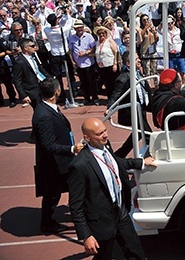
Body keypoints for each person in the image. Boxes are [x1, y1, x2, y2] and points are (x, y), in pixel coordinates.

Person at [68, 118, 157, 260]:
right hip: (101, 221)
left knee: (136, 253)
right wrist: (86, 236)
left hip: (120, 212)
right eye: (99, 133)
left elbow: (117, 162)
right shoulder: (79, 166)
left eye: (105, 130)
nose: (105, 135)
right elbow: (75, 206)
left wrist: (140, 163)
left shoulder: (105, 146)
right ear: (87, 138)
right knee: (104, 256)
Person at [33, 77, 84, 233]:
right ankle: (47, 223)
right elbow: (48, 145)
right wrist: (71, 149)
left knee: (60, 191)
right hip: (55, 164)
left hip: (61, 161)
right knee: (53, 194)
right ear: (57, 91)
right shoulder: (44, 115)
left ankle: (52, 220)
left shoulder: (48, 108)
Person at [105, 51, 152, 158]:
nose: (139, 60)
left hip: (141, 109)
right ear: (128, 64)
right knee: (149, 135)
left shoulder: (138, 72)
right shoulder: (123, 78)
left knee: (138, 133)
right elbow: (115, 95)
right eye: (136, 59)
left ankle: (119, 155)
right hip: (132, 112)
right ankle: (152, 157)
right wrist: (109, 108)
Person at [12, 37, 51, 109]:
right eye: (32, 46)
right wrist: (23, 95)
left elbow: (40, 69)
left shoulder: (33, 57)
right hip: (32, 91)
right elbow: (17, 80)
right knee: (39, 110)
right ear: (26, 48)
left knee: (46, 108)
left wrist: (50, 79)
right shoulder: (19, 62)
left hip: (41, 87)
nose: (35, 47)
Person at [69, 19, 99, 105]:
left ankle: (95, 98)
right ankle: (86, 98)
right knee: (83, 82)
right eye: (77, 28)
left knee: (92, 82)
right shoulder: (72, 38)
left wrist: (85, 53)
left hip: (89, 62)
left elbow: (93, 48)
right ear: (75, 29)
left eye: (81, 27)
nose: (79, 29)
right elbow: (70, 51)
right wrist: (72, 61)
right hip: (79, 64)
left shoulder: (89, 36)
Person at [93, 25, 119, 99]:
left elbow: (116, 52)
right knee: (107, 84)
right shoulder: (97, 43)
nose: (101, 35)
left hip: (110, 65)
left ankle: (115, 99)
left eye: (103, 33)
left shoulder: (109, 41)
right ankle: (110, 98)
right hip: (101, 66)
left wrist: (115, 64)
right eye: (99, 33)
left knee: (113, 83)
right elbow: (95, 52)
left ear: (106, 34)